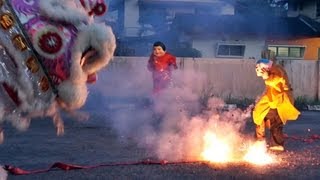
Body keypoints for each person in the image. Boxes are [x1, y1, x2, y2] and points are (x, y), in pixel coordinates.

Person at [253, 58, 300, 151]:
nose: (257, 71)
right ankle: (259, 140)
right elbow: (270, 87)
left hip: (281, 99)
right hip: (271, 98)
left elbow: (275, 80)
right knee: (258, 114)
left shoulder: (277, 69)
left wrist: (267, 77)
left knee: (276, 123)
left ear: (264, 68)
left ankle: (277, 144)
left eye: (258, 69)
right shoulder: (272, 70)